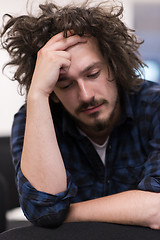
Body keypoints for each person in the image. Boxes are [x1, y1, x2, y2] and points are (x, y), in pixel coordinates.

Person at [1, 0, 160, 230]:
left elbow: (157, 209)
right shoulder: (33, 117)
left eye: (93, 74)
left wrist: (63, 214)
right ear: (53, 92)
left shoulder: (154, 105)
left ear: (114, 65)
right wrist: (37, 94)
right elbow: (43, 208)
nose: (86, 96)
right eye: (65, 85)